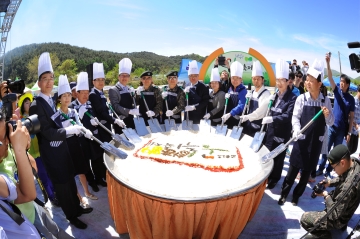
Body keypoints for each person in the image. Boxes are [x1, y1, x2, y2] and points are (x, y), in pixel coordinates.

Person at [29, 52, 92, 229]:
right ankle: (72, 216)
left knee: (70, 181)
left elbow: (56, 123)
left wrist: (72, 127)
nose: (49, 82)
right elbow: (47, 131)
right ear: (39, 83)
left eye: (51, 78)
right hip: (52, 153)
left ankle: (77, 208)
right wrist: (68, 131)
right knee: (62, 186)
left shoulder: (49, 101)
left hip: (62, 149)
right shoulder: (37, 104)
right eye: (45, 79)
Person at [278, 60, 334, 206]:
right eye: (306, 80)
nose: (307, 83)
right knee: (291, 173)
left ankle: (296, 196)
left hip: (315, 144)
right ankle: (284, 194)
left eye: (311, 81)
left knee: (305, 176)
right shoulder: (301, 99)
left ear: (320, 84)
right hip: (301, 141)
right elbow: (295, 117)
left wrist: (328, 115)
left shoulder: (325, 101)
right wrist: (296, 130)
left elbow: (331, 122)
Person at [301, 144, 360, 239]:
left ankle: (325, 236)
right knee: (333, 195)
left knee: (304, 219)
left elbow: (335, 214)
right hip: (348, 209)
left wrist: (325, 195)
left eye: (334, 167)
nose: (333, 170)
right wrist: (329, 182)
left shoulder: (348, 187)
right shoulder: (354, 162)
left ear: (342, 163)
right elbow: (344, 177)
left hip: (339, 218)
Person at [57, 75, 97, 203]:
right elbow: (57, 131)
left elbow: (80, 125)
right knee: (71, 174)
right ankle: (79, 198)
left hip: (75, 143)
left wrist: (86, 131)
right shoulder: (56, 115)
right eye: (64, 96)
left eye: (69, 95)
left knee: (81, 170)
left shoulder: (73, 112)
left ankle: (87, 192)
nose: (67, 98)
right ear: (59, 98)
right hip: (64, 145)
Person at [258, 59, 297, 190]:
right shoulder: (274, 96)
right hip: (270, 131)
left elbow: (288, 116)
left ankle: (275, 179)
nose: (279, 83)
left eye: (282, 80)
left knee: (279, 157)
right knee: (268, 154)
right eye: (277, 80)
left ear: (288, 82)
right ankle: (267, 176)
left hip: (282, 132)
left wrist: (272, 119)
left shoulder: (292, 98)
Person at [316, 53, 355, 178]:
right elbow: (331, 77)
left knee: (335, 152)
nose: (341, 83)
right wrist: (328, 62)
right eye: (341, 81)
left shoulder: (351, 99)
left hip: (342, 130)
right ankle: (321, 168)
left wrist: (349, 132)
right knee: (325, 149)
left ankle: (328, 170)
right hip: (332, 126)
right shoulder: (336, 90)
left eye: (344, 82)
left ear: (348, 85)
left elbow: (351, 116)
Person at [0, 118, 40, 238]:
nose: (8, 140)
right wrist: (19, 150)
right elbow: (28, 194)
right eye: (2, 138)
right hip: (20, 224)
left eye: (6, 134)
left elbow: (33, 167)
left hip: (32, 213)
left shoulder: (7, 151)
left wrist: (23, 147)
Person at [18, 92, 59, 207]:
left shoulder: (37, 116)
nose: (29, 104)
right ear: (22, 107)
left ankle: (56, 193)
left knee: (50, 173)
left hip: (43, 150)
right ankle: (51, 197)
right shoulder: (22, 122)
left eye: (30, 102)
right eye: (26, 103)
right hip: (34, 154)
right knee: (43, 177)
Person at [70, 72, 107, 192]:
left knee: (97, 159)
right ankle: (92, 182)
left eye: (87, 93)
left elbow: (95, 115)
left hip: (93, 136)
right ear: (77, 93)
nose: (86, 96)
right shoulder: (72, 107)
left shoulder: (90, 103)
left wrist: (95, 121)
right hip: (81, 139)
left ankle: (99, 178)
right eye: (83, 93)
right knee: (86, 162)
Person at [89, 62, 125, 183]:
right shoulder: (93, 94)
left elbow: (105, 110)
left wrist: (112, 116)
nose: (100, 82)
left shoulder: (101, 93)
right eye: (98, 80)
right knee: (101, 153)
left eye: (102, 79)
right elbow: (100, 112)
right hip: (100, 128)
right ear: (93, 82)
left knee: (106, 150)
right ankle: (100, 178)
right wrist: (115, 120)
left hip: (106, 126)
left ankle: (105, 174)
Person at [241, 61, 271, 137]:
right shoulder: (252, 92)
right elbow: (248, 109)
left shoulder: (266, 94)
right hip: (248, 125)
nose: (256, 81)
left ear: (263, 80)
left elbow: (261, 112)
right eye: (254, 79)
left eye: (258, 79)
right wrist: (247, 102)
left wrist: (248, 117)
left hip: (258, 128)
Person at [109, 58, 138, 134]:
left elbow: (133, 103)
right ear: (119, 77)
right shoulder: (113, 90)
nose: (124, 78)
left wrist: (135, 95)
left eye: (127, 76)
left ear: (129, 77)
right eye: (122, 75)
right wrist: (130, 111)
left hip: (131, 120)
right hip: (120, 122)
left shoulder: (129, 89)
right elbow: (116, 106)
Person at [221, 61, 247, 129]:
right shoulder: (230, 89)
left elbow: (241, 105)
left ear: (241, 79)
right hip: (228, 118)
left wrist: (230, 113)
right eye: (233, 78)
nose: (234, 80)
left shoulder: (243, 90)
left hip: (237, 120)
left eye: (237, 78)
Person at [348, 85, 360, 154]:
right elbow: (349, 116)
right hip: (351, 129)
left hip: (356, 131)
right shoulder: (353, 101)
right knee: (348, 150)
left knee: (354, 149)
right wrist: (355, 124)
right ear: (358, 91)